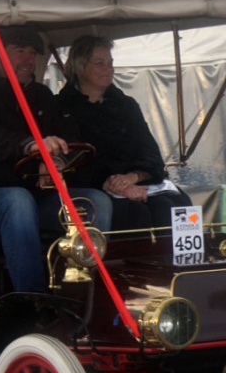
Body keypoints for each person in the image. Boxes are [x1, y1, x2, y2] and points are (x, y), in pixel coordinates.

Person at [0, 25, 112, 293]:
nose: (29, 59)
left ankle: (83, 295)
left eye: (33, 53)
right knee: (17, 201)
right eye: (20, 51)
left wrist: (58, 162)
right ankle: (33, 299)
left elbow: (69, 136)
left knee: (96, 202)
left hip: (37, 195)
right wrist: (31, 147)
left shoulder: (41, 96)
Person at [58, 35, 191, 231]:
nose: (108, 69)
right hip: (94, 185)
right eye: (100, 63)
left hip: (134, 182)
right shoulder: (61, 109)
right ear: (79, 66)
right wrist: (110, 183)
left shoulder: (127, 106)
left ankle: (185, 251)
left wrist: (133, 177)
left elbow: (150, 152)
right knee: (135, 213)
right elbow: (70, 161)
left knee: (176, 205)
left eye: (110, 63)